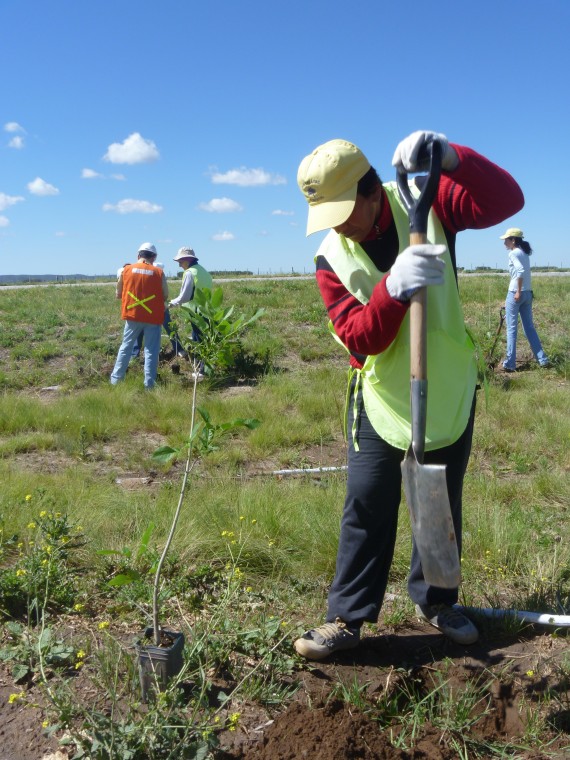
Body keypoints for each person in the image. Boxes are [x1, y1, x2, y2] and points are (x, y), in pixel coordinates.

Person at [294, 131, 524, 660]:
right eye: (326, 214)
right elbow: (359, 336)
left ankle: (439, 602)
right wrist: (394, 287)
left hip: (446, 390)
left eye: (343, 209)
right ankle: (348, 617)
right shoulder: (331, 257)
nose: (336, 224)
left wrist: (452, 158)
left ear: (372, 188)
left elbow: (505, 201)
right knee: (367, 502)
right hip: (380, 399)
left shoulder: (428, 203)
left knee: (438, 501)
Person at [110, 242, 169, 389]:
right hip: (153, 318)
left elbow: (118, 294)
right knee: (151, 350)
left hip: (132, 316)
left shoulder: (126, 270)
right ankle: (150, 384)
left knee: (126, 347)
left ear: (138, 255)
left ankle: (116, 381)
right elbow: (165, 295)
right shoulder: (158, 272)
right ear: (154, 257)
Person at [500, 228, 549, 372]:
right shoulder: (524, 253)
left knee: (511, 329)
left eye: (506, 239)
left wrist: (518, 292)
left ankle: (509, 364)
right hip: (527, 294)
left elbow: (520, 271)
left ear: (513, 240)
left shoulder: (513, 253)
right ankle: (542, 359)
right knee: (529, 327)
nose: (504, 242)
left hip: (516, 293)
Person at [126, 261, 188, 361]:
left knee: (168, 327)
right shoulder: (149, 275)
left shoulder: (158, 275)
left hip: (160, 307)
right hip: (147, 308)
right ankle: (135, 354)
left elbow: (164, 294)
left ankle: (178, 348)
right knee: (142, 330)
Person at [169, 247, 213, 377]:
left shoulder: (190, 273)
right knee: (204, 340)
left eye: (181, 261)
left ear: (187, 260)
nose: (179, 264)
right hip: (207, 311)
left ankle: (200, 371)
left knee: (198, 340)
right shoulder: (203, 271)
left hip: (195, 312)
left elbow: (185, 297)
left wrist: (171, 304)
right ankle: (206, 369)